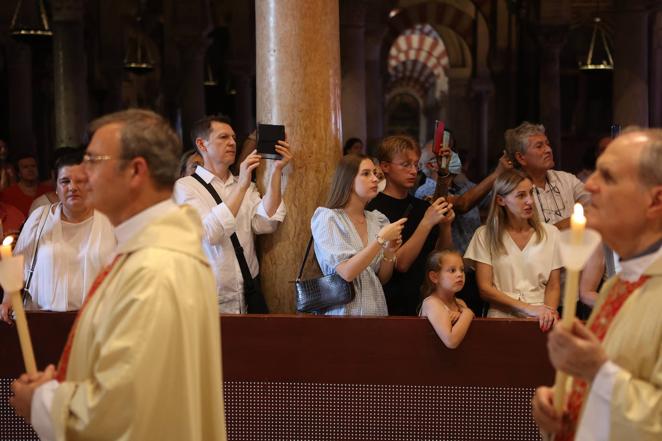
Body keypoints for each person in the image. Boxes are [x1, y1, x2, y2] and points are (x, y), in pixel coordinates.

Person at [9, 109, 226, 441]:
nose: (84, 174)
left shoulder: (155, 268)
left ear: (136, 170)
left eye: (94, 161)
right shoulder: (150, 251)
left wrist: (42, 403)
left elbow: (121, 408)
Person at [532, 128, 662, 441]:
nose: (590, 184)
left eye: (609, 177)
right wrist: (562, 410)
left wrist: (598, 372)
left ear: (655, 200)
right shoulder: (616, 286)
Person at [174, 115, 292, 313]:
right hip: (211, 298)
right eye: (223, 137)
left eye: (234, 137)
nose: (232, 143)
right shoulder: (185, 187)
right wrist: (243, 185)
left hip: (247, 292)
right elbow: (210, 233)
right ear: (202, 144)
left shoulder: (243, 183)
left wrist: (277, 171)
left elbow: (265, 223)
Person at [0, 152, 115, 322]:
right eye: (65, 181)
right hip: (45, 320)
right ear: (57, 187)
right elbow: (17, 261)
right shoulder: (40, 218)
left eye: (80, 181)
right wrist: (8, 298)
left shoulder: (111, 220)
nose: (72, 187)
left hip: (100, 321)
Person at [505, 122, 603, 313]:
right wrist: (573, 222)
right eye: (539, 146)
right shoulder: (513, 190)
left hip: (574, 285)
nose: (548, 150)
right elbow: (530, 237)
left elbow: (597, 204)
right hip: (536, 291)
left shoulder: (565, 179)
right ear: (521, 157)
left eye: (547, 144)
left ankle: (588, 291)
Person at [367, 135, 454, 316]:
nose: (413, 171)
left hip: (424, 298)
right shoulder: (373, 209)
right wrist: (426, 223)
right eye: (406, 165)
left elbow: (438, 257)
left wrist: (445, 227)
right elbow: (400, 264)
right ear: (385, 166)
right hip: (391, 300)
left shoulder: (422, 207)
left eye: (416, 164)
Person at [464, 169, 561, 332]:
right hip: (500, 317)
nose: (530, 201)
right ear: (501, 200)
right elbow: (485, 289)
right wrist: (527, 308)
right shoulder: (485, 235)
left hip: (541, 318)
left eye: (531, 193)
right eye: (521, 195)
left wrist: (548, 312)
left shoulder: (550, 233)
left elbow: (553, 285)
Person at [311, 154, 405, 316]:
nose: (375, 179)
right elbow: (347, 272)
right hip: (342, 313)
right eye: (366, 173)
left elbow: (382, 278)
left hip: (375, 311)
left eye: (375, 173)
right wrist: (380, 240)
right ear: (348, 180)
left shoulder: (378, 219)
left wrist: (389, 250)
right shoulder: (329, 218)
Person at [419, 250, 474, 348]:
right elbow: (451, 341)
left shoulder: (460, 303)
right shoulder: (432, 303)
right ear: (435, 277)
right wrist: (467, 313)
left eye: (462, 270)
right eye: (452, 270)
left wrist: (460, 316)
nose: (460, 274)